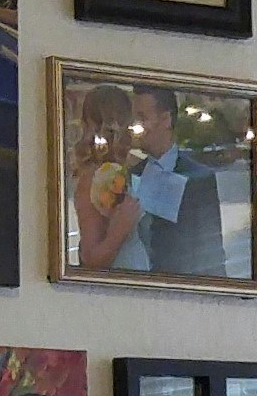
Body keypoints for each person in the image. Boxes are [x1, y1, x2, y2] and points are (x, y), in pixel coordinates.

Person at [69, 81, 222, 279]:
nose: (135, 127)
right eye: (133, 119)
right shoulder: (115, 175)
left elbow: (213, 255)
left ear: (165, 119)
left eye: (140, 118)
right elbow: (89, 256)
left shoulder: (198, 177)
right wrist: (120, 228)